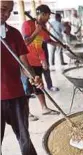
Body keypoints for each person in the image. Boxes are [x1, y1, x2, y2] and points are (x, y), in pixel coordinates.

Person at [1, 1, 43, 154]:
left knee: (24, 138)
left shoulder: (14, 34)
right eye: (3, 9)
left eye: (10, 11)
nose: (6, 14)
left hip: (16, 96)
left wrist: (33, 76)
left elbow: (23, 64)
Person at [22, 4, 61, 115]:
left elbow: (44, 43)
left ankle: (44, 108)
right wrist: (36, 31)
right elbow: (25, 43)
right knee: (27, 88)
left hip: (37, 61)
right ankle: (26, 113)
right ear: (43, 14)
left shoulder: (43, 28)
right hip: (26, 62)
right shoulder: (27, 24)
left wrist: (61, 45)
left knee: (39, 86)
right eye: (48, 15)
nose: (49, 18)